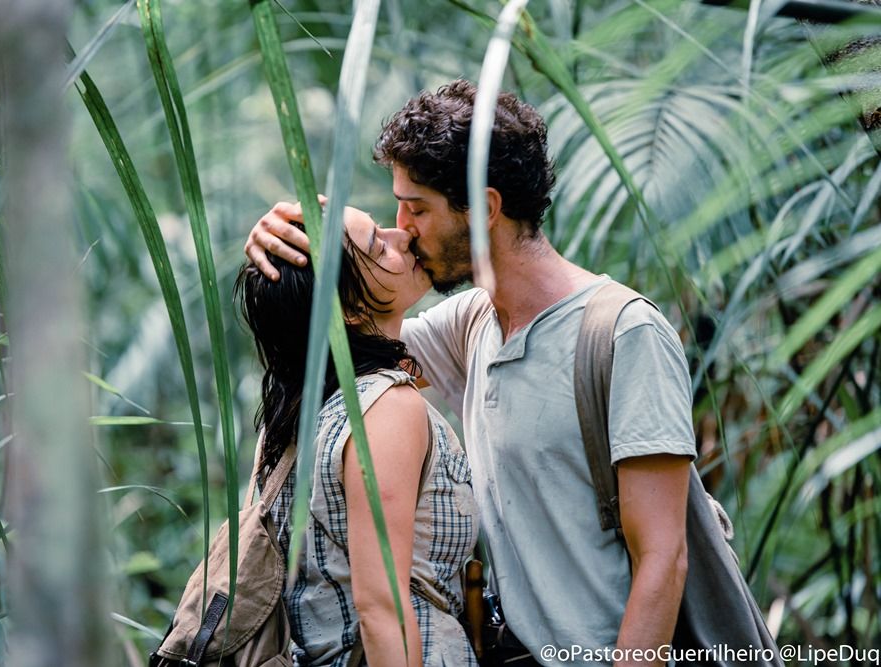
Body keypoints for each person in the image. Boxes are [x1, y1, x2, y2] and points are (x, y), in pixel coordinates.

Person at [245, 80, 696, 666]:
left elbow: (665, 558)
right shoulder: (473, 323)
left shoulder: (622, 334)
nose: (402, 228)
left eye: (418, 207)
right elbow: (335, 339)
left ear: (483, 209)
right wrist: (282, 251)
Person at [235, 207, 480, 667]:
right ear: (349, 309)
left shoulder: (292, 413)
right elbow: (381, 610)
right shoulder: (388, 406)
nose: (402, 234)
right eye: (377, 244)